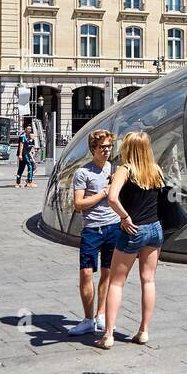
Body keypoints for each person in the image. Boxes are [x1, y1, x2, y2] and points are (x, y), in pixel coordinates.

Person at [94, 131, 164, 350]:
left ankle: (108, 335)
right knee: (148, 280)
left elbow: (112, 197)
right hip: (155, 228)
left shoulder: (126, 169)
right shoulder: (155, 169)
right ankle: (143, 331)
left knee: (116, 281)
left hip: (134, 229)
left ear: (128, 148)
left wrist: (124, 217)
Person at [70, 129, 118, 337]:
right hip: (92, 229)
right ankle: (88, 318)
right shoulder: (83, 173)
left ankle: (100, 314)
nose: (106, 151)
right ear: (93, 149)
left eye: (109, 147)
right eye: (102, 147)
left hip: (113, 226)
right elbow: (79, 204)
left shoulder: (115, 169)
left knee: (108, 272)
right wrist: (102, 194)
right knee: (86, 272)